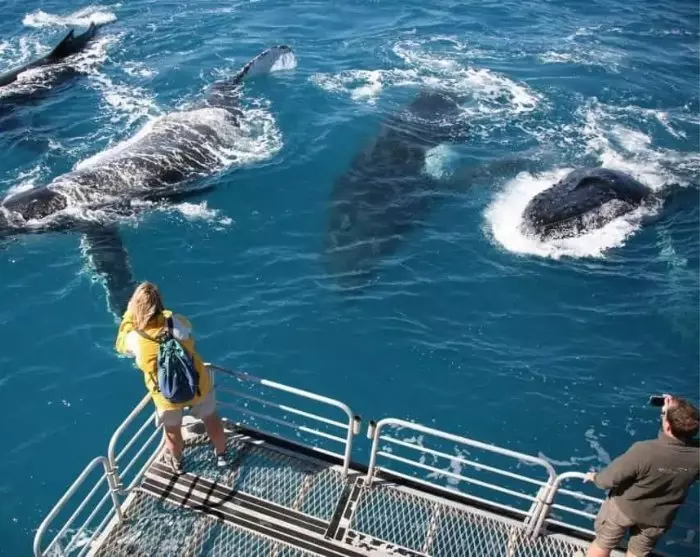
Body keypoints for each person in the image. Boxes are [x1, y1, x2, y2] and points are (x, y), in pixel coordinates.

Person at [115, 281, 227, 473]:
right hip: (197, 384)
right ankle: (222, 455)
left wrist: (128, 317)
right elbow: (189, 329)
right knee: (211, 419)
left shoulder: (135, 338)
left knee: (173, 431)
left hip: (166, 394)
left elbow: (120, 346)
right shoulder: (176, 322)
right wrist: (166, 317)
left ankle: (177, 461)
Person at [584, 395, 699, 557]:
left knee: (603, 543)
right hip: (658, 518)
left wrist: (595, 478)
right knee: (637, 553)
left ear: (667, 426)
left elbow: (608, 480)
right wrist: (673, 413)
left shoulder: (644, 451)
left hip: (625, 509)